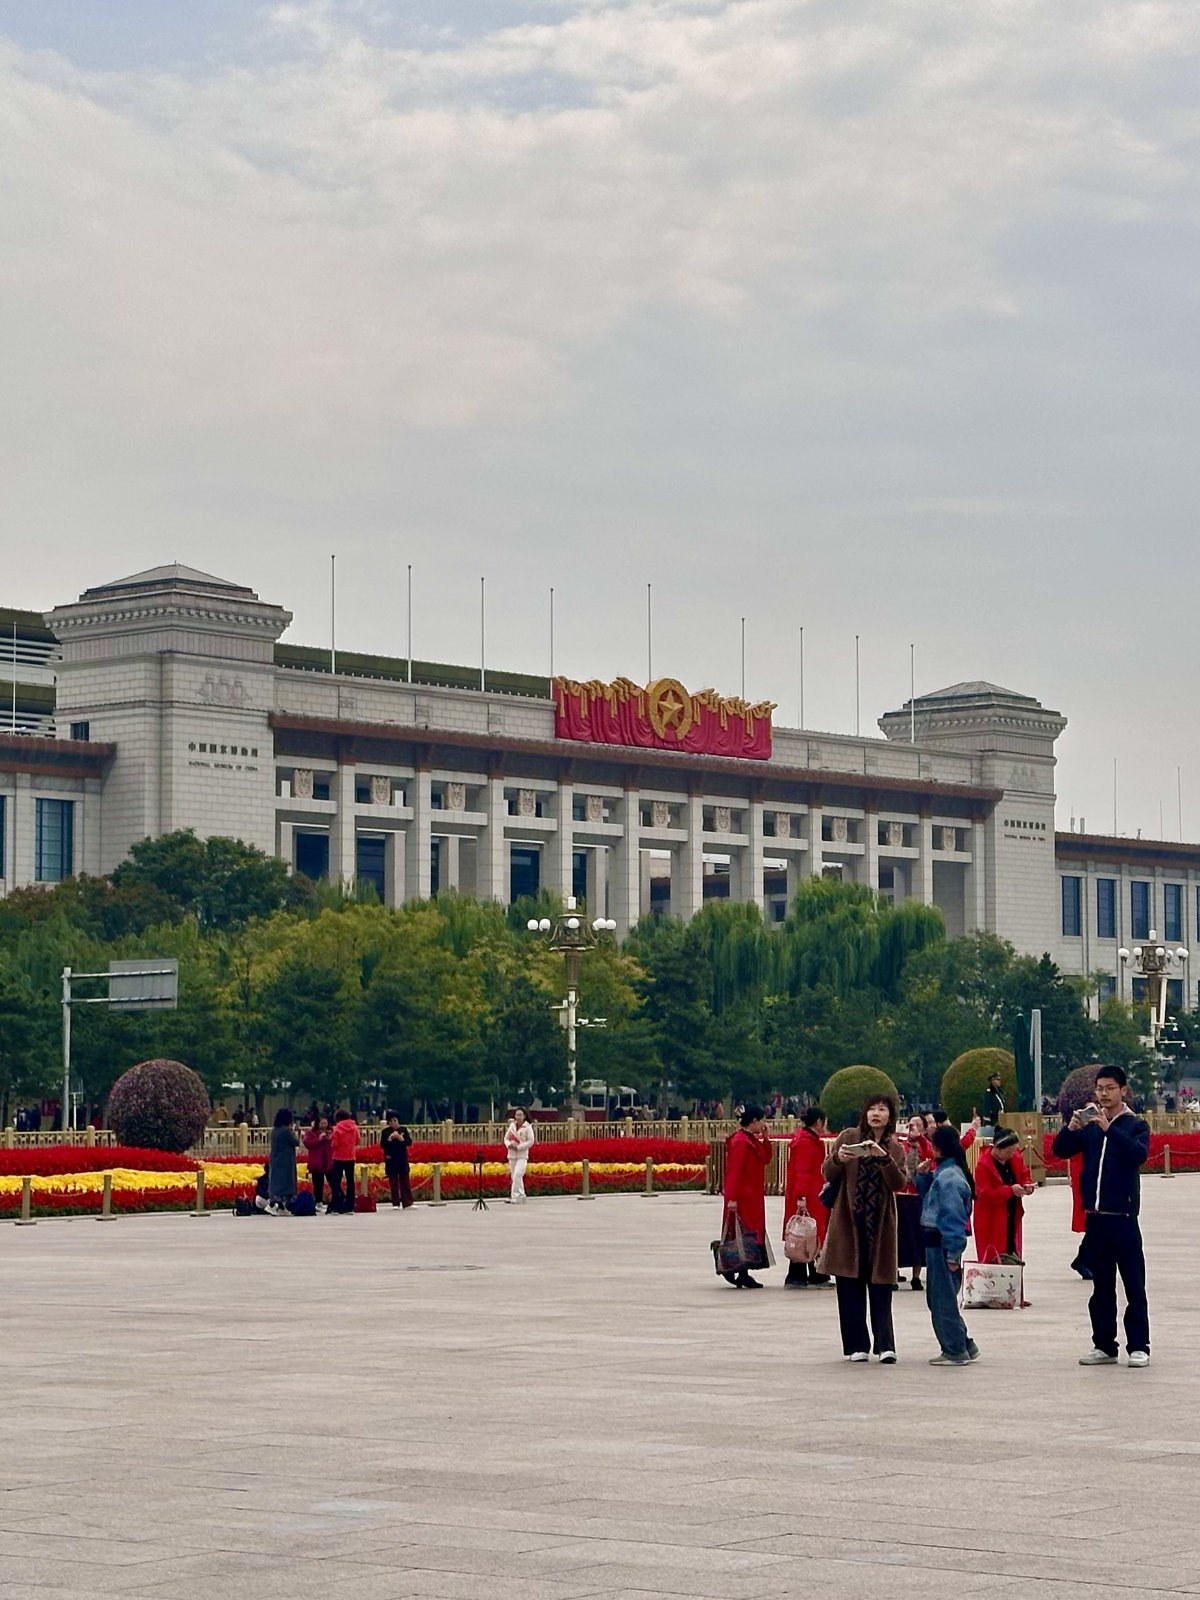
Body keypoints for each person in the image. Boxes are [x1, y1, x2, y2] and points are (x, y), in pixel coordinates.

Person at [1052, 1066, 1151, 1367]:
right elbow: (1060, 1150)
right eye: (1099, 1089)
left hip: (1123, 1216)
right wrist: (1071, 1129)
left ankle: (1139, 1346)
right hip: (1096, 1218)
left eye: (1109, 1088)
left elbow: (1138, 1155)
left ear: (1123, 1090)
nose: (1103, 1094)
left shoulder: (1136, 1125)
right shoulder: (1090, 1125)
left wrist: (1110, 1129)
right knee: (1102, 1287)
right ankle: (1104, 1345)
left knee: (1133, 1284)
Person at [817, 1096, 907, 1361]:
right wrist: (838, 1159)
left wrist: (884, 1159)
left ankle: (885, 1345)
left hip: (879, 1225)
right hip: (849, 1222)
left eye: (882, 1109)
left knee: (881, 1286)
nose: (876, 1114)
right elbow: (827, 1172)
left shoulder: (894, 1147)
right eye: (872, 1109)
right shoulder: (849, 1137)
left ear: (890, 1116)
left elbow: (899, 1183)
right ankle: (856, 1346)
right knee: (849, 1286)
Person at [915, 1125, 979, 1366]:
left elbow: (953, 1218)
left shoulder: (949, 1177)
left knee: (941, 1300)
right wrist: (922, 1176)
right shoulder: (945, 1173)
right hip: (937, 1243)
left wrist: (953, 1253)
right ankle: (964, 1343)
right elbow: (930, 1199)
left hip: (941, 1244)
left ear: (936, 1148)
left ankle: (954, 1349)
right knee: (941, 1297)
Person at [720, 1105, 773, 1288]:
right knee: (742, 1233)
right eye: (762, 1120)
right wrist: (732, 1197)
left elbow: (765, 1158)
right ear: (754, 1121)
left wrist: (766, 1138)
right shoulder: (741, 1142)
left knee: (748, 1233)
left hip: (752, 1197)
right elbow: (734, 1172)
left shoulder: (750, 1140)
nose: (764, 1124)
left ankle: (743, 1271)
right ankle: (736, 1269)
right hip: (743, 1197)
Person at [782, 1107, 830, 1287]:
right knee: (805, 1232)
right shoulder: (806, 1143)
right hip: (808, 1195)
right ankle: (802, 1273)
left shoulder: (807, 1140)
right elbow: (802, 1171)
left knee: (807, 1232)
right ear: (818, 1122)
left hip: (812, 1193)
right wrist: (801, 1196)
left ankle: (806, 1272)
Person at [974, 1128, 1035, 1265]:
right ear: (997, 1148)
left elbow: (1024, 1174)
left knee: (1012, 1252)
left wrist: (1027, 1185)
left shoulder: (1015, 1158)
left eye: (1014, 1151)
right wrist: (1010, 1190)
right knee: (994, 1257)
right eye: (1008, 1152)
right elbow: (985, 1194)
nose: (1011, 1155)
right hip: (991, 1218)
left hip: (1011, 1214)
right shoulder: (983, 1165)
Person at [898, 1112, 933, 1291]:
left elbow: (931, 1158)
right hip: (899, 1194)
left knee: (917, 1236)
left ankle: (916, 1276)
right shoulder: (900, 1145)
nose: (913, 1128)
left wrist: (920, 1139)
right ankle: (894, 1272)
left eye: (918, 1125)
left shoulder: (925, 1146)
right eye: (911, 1125)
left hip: (917, 1196)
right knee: (898, 1236)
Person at [267, 1109, 300, 1216]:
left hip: (276, 1160)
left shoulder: (275, 1130)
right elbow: (295, 1142)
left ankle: (280, 1206)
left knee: (276, 1182)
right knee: (285, 1183)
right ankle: (274, 1205)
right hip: (285, 1161)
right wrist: (294, 1131)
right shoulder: (286, 1131)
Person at [329, 1109, 360, 1213]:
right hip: (350, 1157)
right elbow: (357, 1141)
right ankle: (350, 1206)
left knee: (336, 1182)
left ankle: (336, 1206)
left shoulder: (337, 1128)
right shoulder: (354, 1127)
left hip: (338, 1157)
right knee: (350, 1181)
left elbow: (335, 1144)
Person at [382, 1112, 414, 1209]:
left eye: (395, 1120)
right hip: (391, 1159)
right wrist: (390, 1138)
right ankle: (395, 1203)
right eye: (391, 1121)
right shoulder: (385, 1132)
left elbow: (409, 1143)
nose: (394, 1123)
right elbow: (383, 1145)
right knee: (393, 1182)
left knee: (405, 1181)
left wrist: (401, 1138)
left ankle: (407, 1203)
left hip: (402, 1158)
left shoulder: (403, 1130)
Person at [303, 1115, 334, 1212]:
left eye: (325, 1123)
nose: (324, 1125)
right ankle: (318, 1202)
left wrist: (329, 1138)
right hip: (317, 1162)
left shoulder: (331, 1132)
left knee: (333, 1182)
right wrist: (318, 1139)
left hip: (328, 1162)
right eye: (322, 1123)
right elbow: (307, 1143)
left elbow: (335, 1143)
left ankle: (336, 1200)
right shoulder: (311, 1133)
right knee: (318, 1184)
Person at [504, 1108, 535, 1203]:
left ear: (524, 1116)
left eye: (520, 1115)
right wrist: (509, 1145)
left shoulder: (527, 1127)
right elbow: (506, 1138)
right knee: (514, 1176)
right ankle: (521, 1195)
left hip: (522, 1155)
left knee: (518, 1174)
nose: (518, 1117)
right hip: (512, 1155)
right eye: (517, 1115)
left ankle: (514, 1196)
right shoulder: (512, 1126)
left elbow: (531, 1141)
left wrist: (519, 1147)